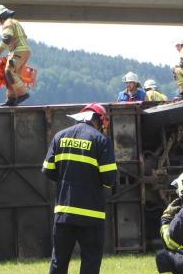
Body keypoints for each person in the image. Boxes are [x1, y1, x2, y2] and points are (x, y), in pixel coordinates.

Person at [42, 103, 117, 274]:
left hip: (64, 213)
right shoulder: (101, 140)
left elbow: (48, 170)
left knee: (59, 260)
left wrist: (66, 178)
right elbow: (109, 180)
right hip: (91, 215)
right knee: (90, 262)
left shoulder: (60, 136)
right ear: (98, 120)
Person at [0, 5, 31, 106]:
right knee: (11, 74)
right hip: (23, 50)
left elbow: (7, 38)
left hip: (19, 50)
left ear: (0, 17)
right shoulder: (14, 22)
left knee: (8, 71)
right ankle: (11, 98)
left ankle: (22, 93)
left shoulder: (7, 23)